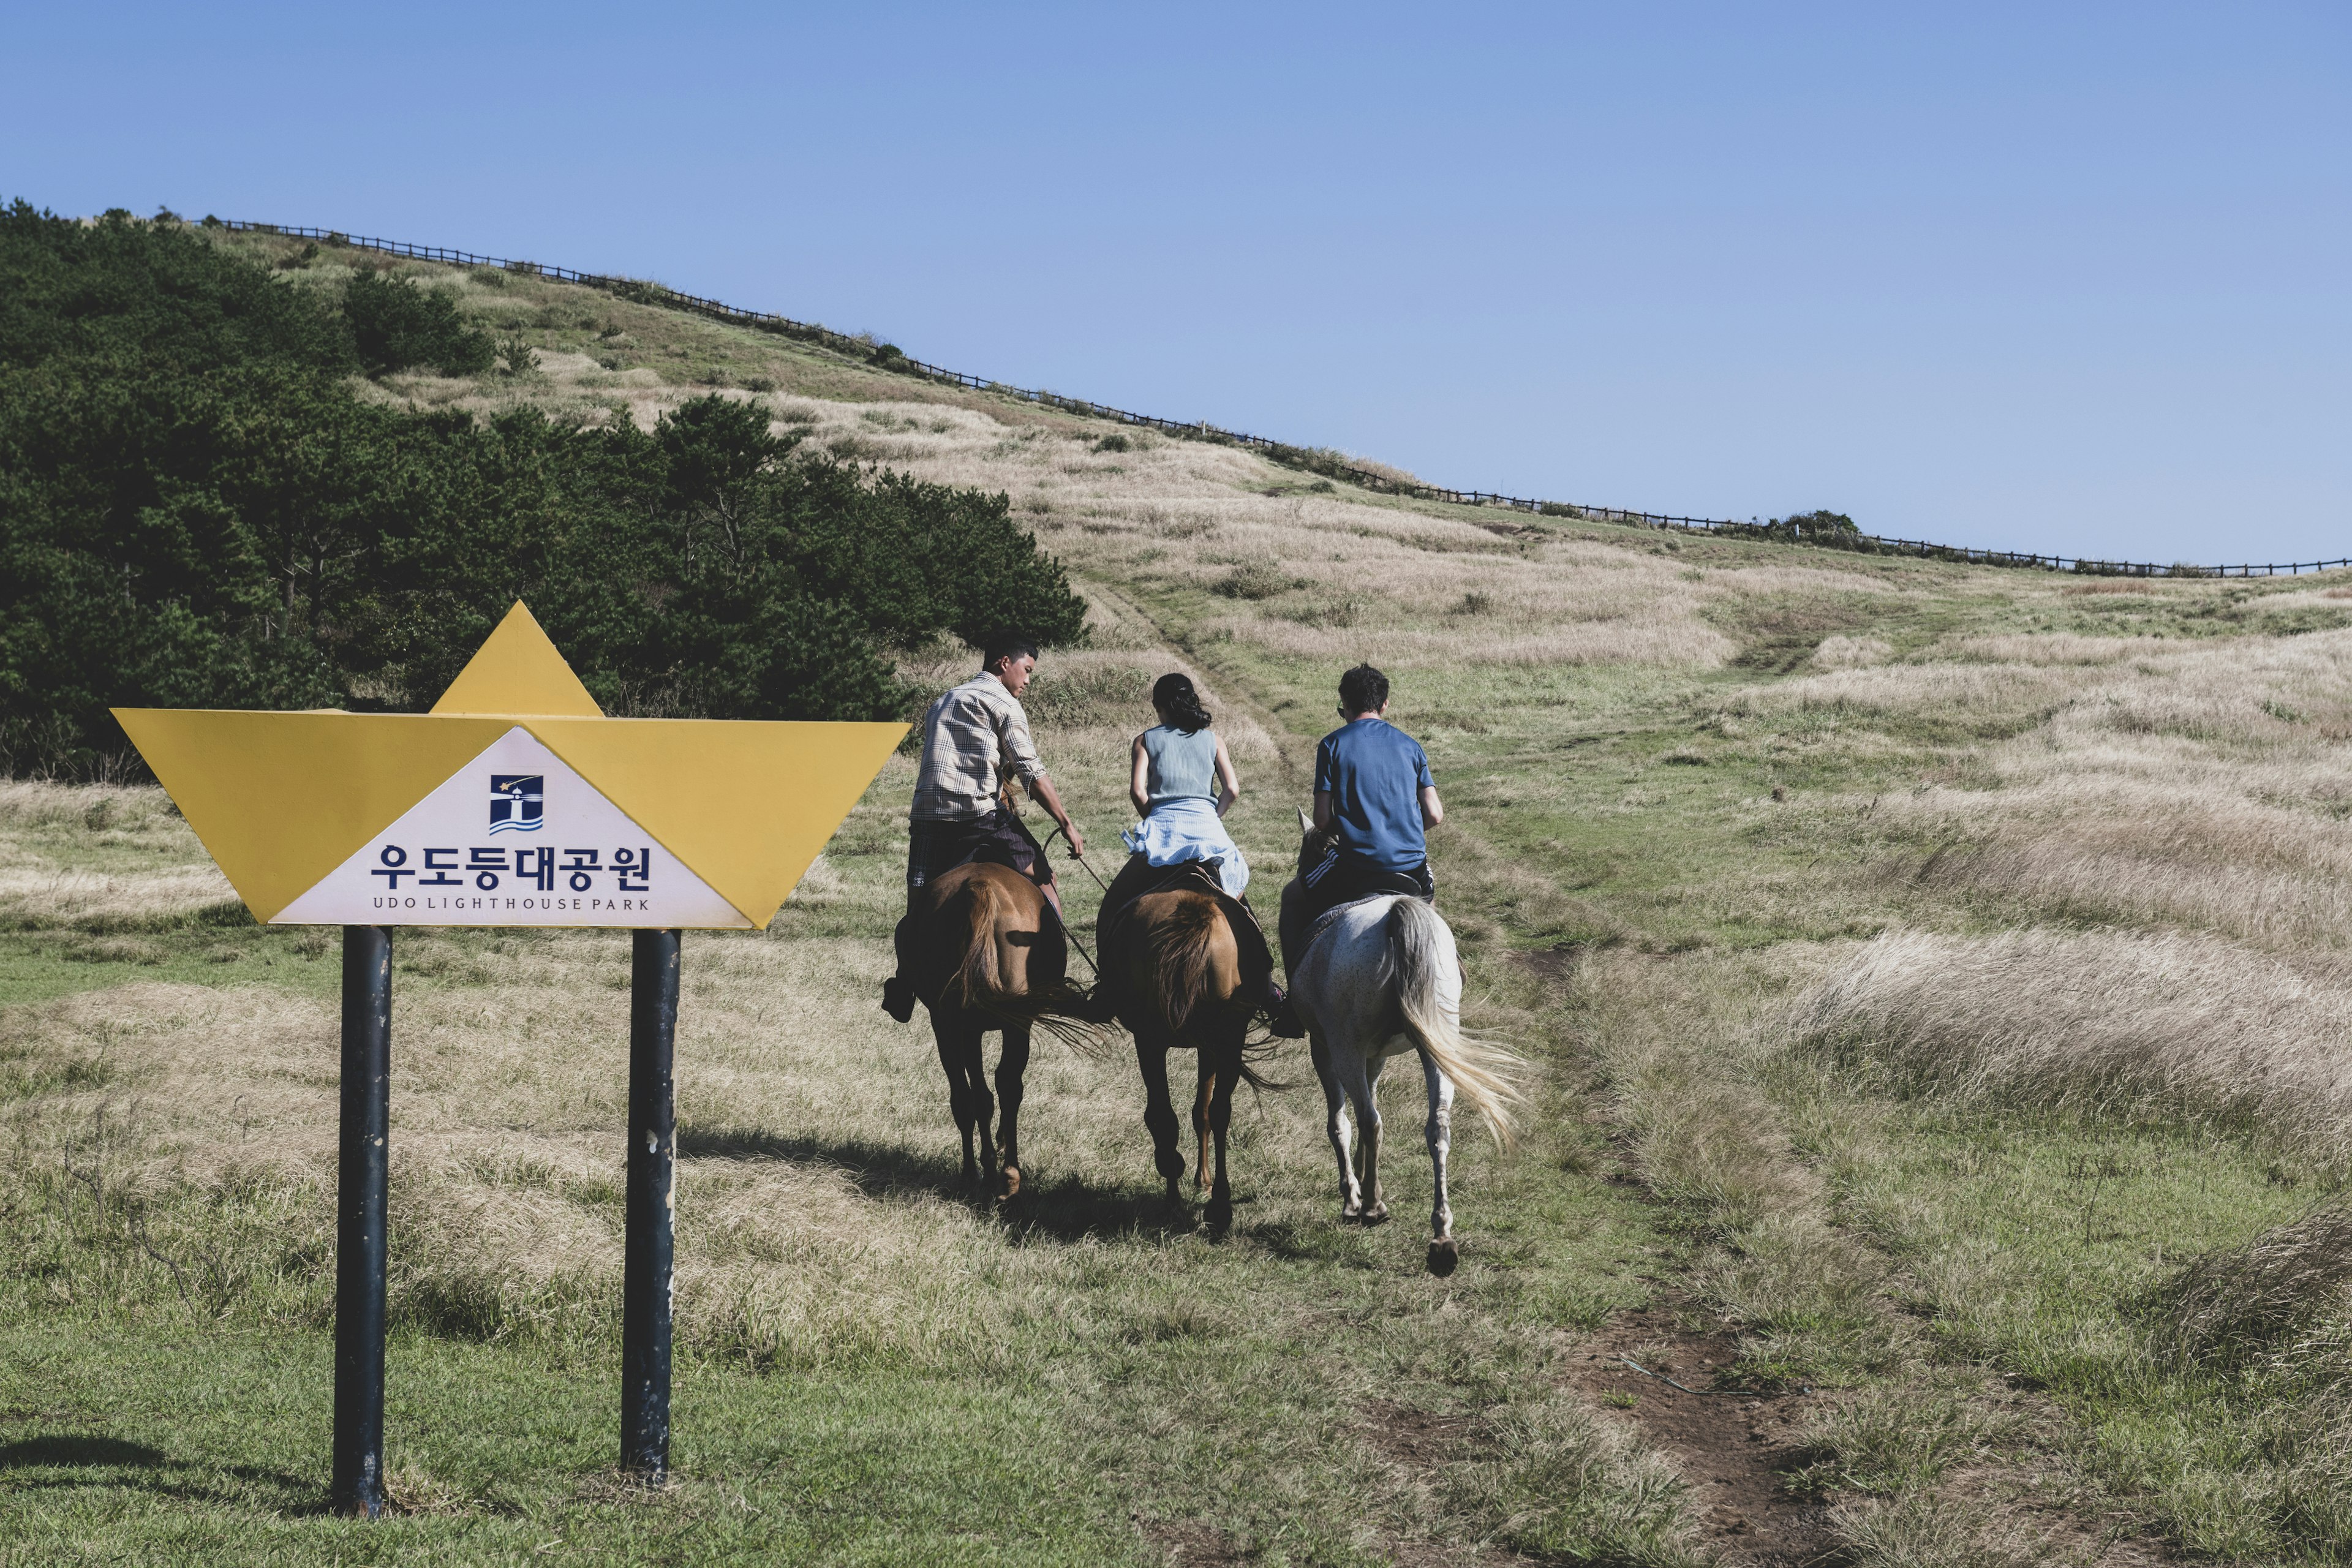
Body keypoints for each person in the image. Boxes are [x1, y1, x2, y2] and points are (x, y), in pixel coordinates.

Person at [881, 632, 1085, 1023]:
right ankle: (1052, 973)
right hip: (981, 817)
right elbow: (1029, 770)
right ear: (1004, 663)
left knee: (919, 906)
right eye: (1027, 671)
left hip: (927, 818)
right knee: (1043, 876)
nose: (1027, 681)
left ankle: (905, 980)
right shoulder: (1003, 703)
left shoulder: (942, 701)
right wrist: (1066, 824)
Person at [1095, 673, 1301, 1036]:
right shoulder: (1213, 740)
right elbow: (1232, 789)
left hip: (1164, 830)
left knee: (1114, 905)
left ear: (1159, 706)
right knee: (1242, 913)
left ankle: (1106, 988)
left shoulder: (1145, 740)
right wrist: (1212, 817)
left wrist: (1156, 821)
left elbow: (1138, 792)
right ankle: (1269, 993)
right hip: (1208, 831)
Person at [1284, 663, 1442, 960]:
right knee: (1432, 919)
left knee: (1291, 899)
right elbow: (1434, 814)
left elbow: (1321, 820)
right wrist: (1401, 828)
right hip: (1411, 866)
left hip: (1357, 866)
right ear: (1385, 704)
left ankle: (1293, 997)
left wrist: (1355, 829)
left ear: (1344, 704)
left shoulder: (1332, 745)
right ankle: (1451, 968)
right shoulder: (1412, 746)